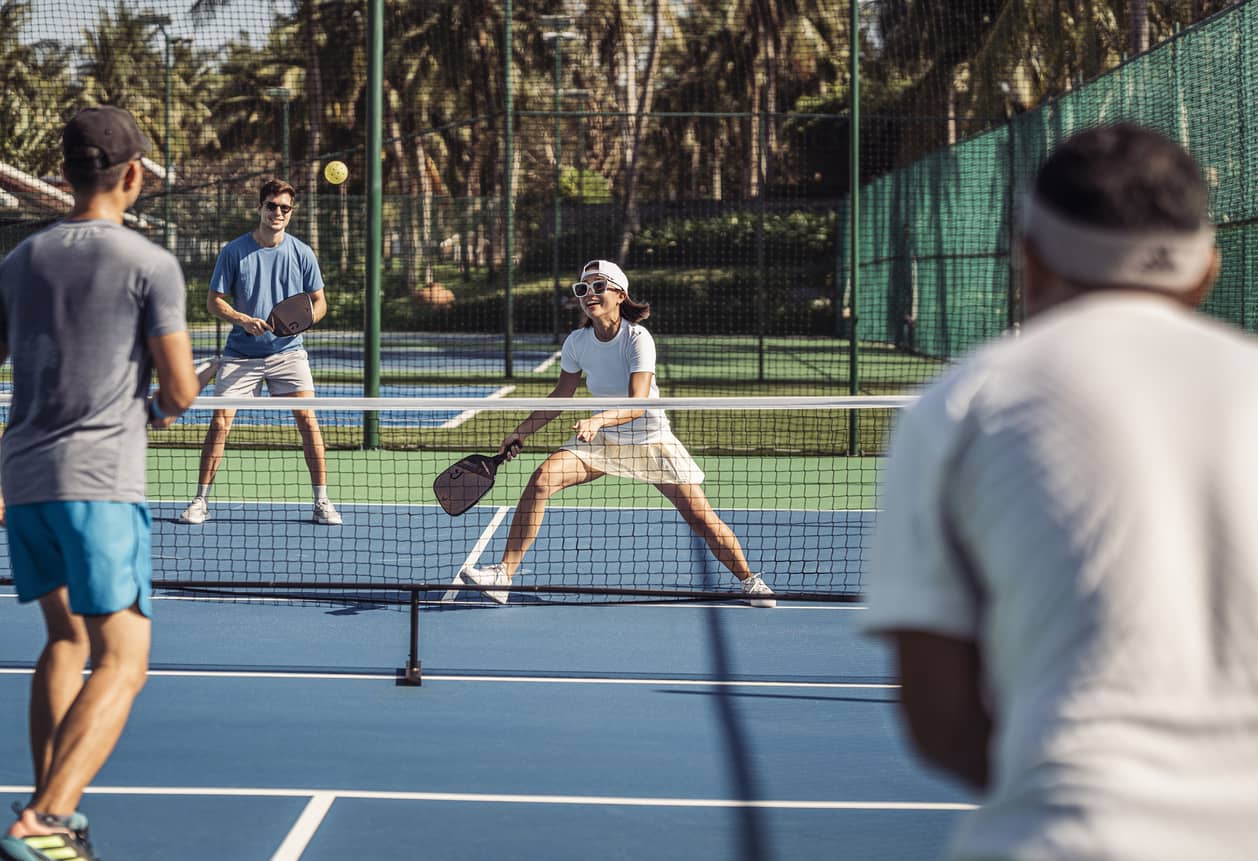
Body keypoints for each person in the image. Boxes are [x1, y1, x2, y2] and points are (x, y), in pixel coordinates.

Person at [866, 123, 1258, 859]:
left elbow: (941, 719)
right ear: (1207, 269)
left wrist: (1051, 783)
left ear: (1032, 260)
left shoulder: (962, 405)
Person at [0, 105, 198, 861]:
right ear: (134, 176)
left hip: (26, 479)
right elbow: (182, 391)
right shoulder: (150, 264)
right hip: (99, 485)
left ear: (64, 174)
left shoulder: (21, 260)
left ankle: (50, 806)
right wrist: (156, 411)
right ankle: (46, 818)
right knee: (124, 659)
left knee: (65, 638)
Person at [460, 259, 776, 607]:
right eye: (583, 289)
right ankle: (503, 575)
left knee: (701, 518)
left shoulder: (637, 338)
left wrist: (598, 420)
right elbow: (561, 395)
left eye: (599, 287)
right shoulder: (577, 342)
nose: (589, 294)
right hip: (605, 442)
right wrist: (522, 431)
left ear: (620, 294)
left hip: (650, 440)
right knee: (542, 480)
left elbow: (638, 404)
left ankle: (749, 581)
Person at [177, 178, 342, 526]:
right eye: (272, 206)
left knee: (308, 420)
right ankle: (200, 501)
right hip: (240, 354)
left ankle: (322, 502)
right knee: (220, 423)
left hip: (288, 353)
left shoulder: (302, 253)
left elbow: (320, 302)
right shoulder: (234, 251)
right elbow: (214, 302)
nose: (278, 212)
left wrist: (302, 322)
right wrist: (242, 319)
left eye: (284, 208)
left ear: (291, 212)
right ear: (260, 208)